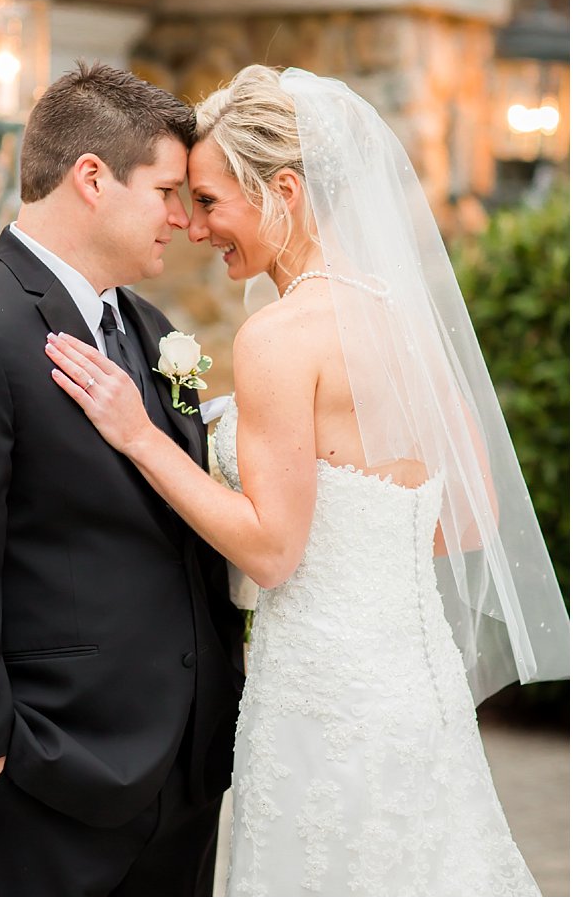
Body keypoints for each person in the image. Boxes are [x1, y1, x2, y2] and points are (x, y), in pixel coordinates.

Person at [46, 65, 569, 896]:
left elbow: (273, 550)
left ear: (283, 188)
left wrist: (144, 439)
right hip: (414, 687)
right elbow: (470, 518)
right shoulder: (403, 319)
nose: (196, 227)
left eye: (212, 201)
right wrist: (358, 538)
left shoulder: (281, 336)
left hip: (324, 698)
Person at [0, 62, 246, 896]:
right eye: (168, 192)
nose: (183, 221)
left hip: (177, 785)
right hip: (37, 785)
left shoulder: (152, 330)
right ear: (91, 179)